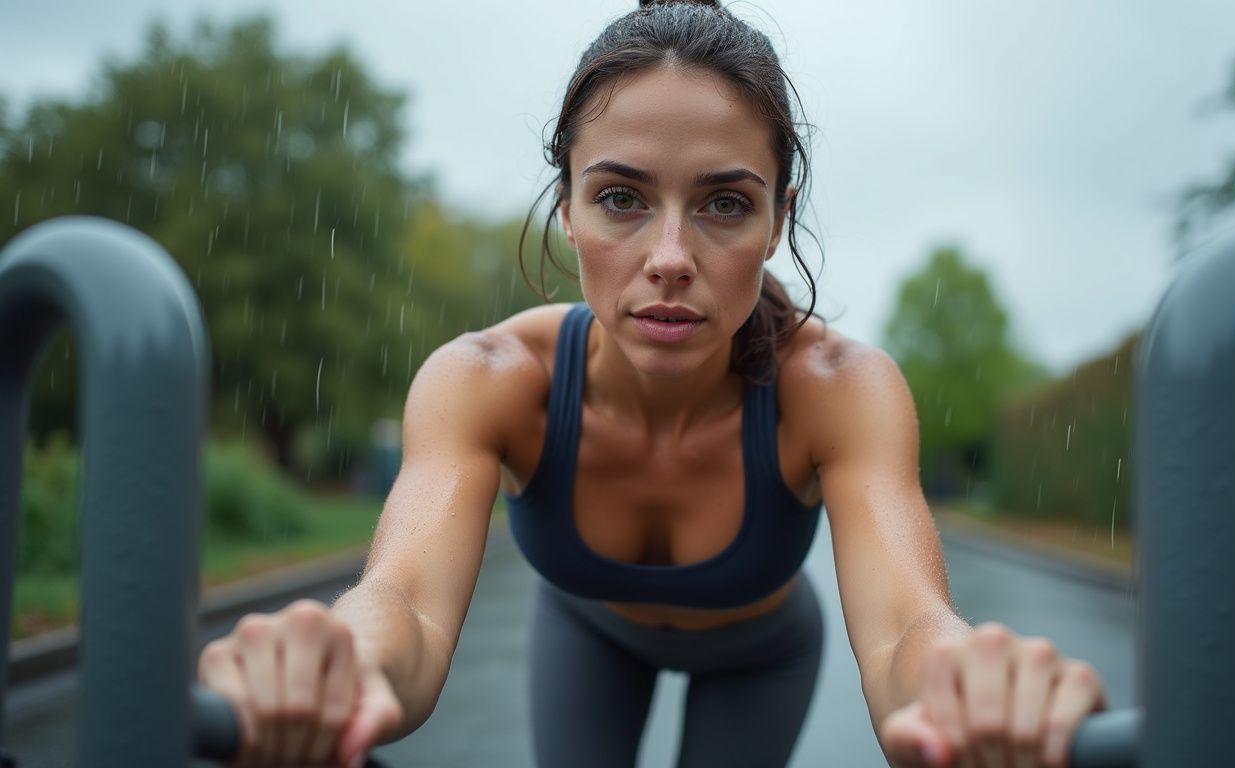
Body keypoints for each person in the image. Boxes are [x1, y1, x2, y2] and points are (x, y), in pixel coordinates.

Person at [197, 1, 1108, 766]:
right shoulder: (486, 381)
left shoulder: (839, 386)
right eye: (622, 198)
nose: (670, 259)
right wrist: (334, 655)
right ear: (567, 206)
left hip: (763, 657)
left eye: (724, 203)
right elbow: (402, 605)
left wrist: (967, 674)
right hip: (586, 636)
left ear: (779, 216)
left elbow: (908, 626)